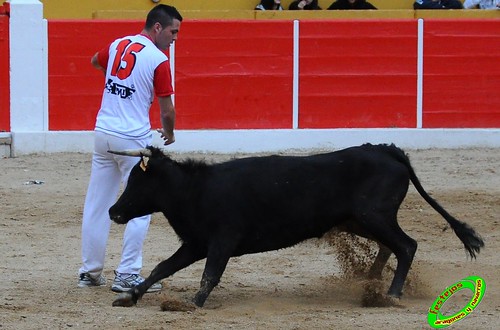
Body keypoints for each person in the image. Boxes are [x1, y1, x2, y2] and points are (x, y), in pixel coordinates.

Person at [77, 4, 182, 293]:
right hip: (132, 141)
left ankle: (90, 272)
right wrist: (169, 133)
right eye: (173, 31)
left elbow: (94, 62)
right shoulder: (158, 60)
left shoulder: (118, 43)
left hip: (103, 134)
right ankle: (127, 274)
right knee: (142, 208)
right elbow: (167, 110)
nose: (175, 38)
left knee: (97, 204)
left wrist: (118, 83)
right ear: (157, 27)